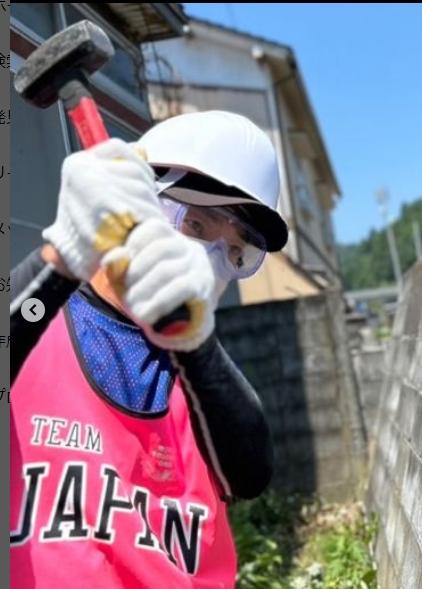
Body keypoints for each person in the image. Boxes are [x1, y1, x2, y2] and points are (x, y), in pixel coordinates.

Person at [10, 110, 287, 588]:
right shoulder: (35, 321)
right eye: (197, 225)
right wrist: (61, 260)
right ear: (137, 203)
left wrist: (194, 344)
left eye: (237, 253)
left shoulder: (196, 374)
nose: (212, 260)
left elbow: (248, 474)